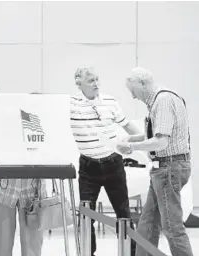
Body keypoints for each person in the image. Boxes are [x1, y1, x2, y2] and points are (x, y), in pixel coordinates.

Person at [118, 67, 193, 256]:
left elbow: (161, 141)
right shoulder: (161, 100)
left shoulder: (163, 101)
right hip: (164, 169)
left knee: (172, 229)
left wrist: (132, 148)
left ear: (143, 83)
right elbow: (158, 133)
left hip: (168, 169)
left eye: (132, 90)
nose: (133, 96)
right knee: (147, 226)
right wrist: (133, 139)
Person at [70, 67, 140, 256]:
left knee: (123, 213)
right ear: (79, 83)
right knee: (85, 216)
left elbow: (127, 125)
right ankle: (87, 253)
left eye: (97, 79)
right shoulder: (70, 103)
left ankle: (131, 253)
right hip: (88, 167)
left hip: (113, 164)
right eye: (91, 80)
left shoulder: (110, 101)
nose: (96, 84)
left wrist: (146, 144)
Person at [0, 91, 47, 256]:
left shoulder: (45, 129)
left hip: (33, 192)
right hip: (4, 190)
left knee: (33, 247)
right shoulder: (6, 126)